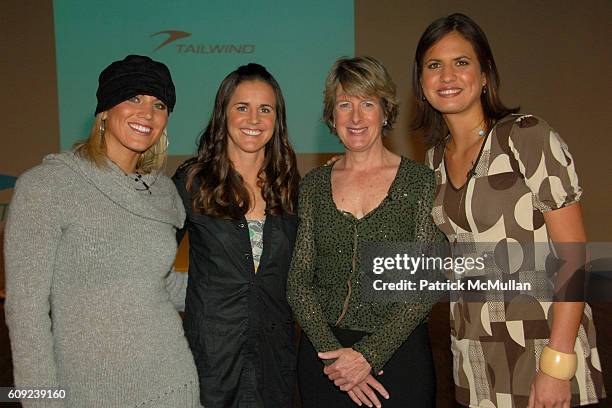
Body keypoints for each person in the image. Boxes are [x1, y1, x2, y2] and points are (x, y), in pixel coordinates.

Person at [412, 13, 606, 408]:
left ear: (484, 75)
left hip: (542, 348)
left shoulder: (525, 136)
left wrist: (557, 362)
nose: (447, 75)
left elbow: (574, 253)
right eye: (434, 65)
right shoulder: (432, 162)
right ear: (421, 81)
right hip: (473, 356)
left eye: (461, 62)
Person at [4, 55, 201, 406]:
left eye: (159, 104)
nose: (148, 113)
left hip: (172, 380)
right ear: (106, 110)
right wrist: (40, 400)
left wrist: (238, 284)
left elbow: (159, 282)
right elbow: (25, 310)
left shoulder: (163, 191)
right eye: (133, 98)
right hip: (89, 391)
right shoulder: (47, 185)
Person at [287, 56, 445, 408]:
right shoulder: (312, 186)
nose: (356, 118)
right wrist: (332, 356)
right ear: (332, 116)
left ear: (385, 112)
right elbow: (299, 280)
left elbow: (424, 283)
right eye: (345, 105)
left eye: (367, 104)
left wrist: (368, 356)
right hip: (323, 357)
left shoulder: (420, 182)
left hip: (399, 356)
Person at [172, 63, 300, 407]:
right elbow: (150, 258)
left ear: (278, 119)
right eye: (242, 107)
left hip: (276, 362)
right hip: (211, 363)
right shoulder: (192, 181)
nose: (254, 119)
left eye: (265, 109)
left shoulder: (291, 188)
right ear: (223, 114)